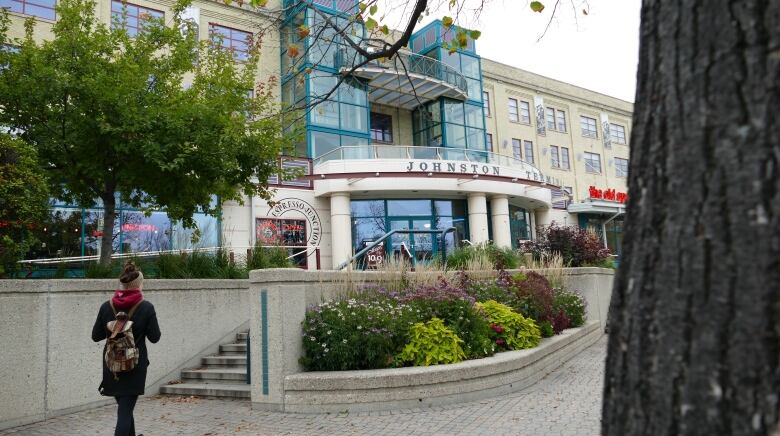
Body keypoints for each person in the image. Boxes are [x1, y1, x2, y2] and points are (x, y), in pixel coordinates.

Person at [92, 261, 160, 436]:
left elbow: (96, 336)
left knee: (125, 409)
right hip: (134, 366)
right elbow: (155, 337)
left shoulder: (107, 306)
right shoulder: (146, 307)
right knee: (125, 412)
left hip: (112, 365)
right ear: (139, 285)